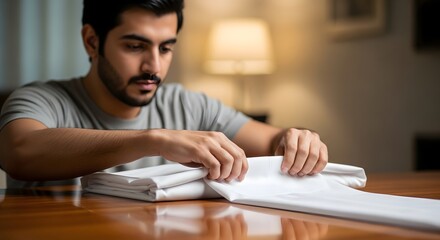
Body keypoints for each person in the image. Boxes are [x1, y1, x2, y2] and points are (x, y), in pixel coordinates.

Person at [0, 0, 328, 188]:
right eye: (134, 46)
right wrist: (155, 140)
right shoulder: (40, 100)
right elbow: (18, 152)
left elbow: (274, 142)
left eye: (166, 47)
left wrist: (296, 138)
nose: (153, 66)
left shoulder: (190, 105)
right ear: (91, 41)